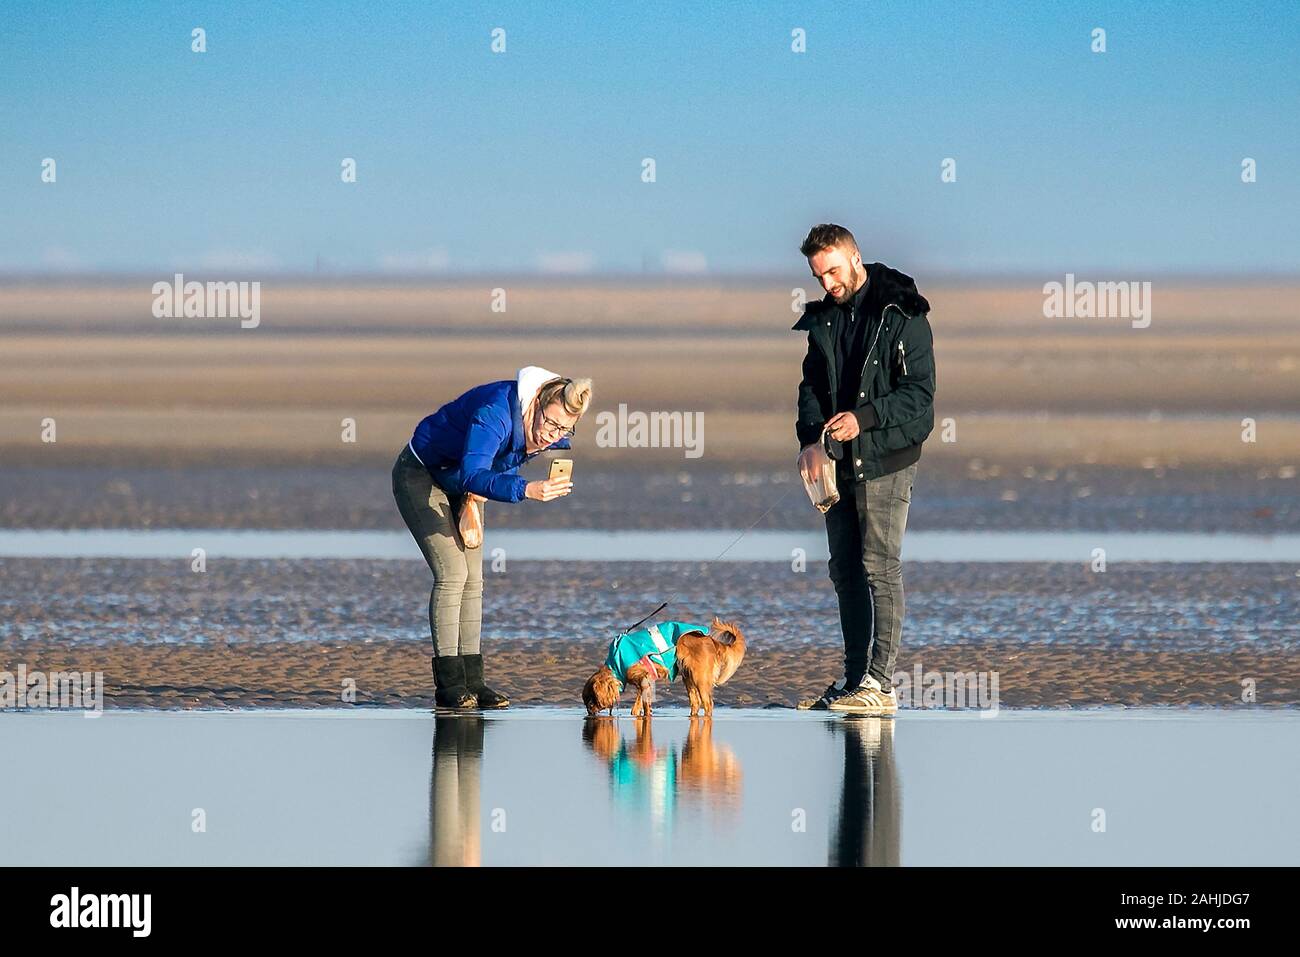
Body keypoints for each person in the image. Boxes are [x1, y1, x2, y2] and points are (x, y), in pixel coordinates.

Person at [794, 224, 936, 714]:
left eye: (833, 270)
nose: (828, 284)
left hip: (887, 458)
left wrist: (865, 419)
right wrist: (811, 442)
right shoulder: (824, 320)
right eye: (819, 276)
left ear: (855, 257)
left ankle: (880, 684)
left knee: (879, 567)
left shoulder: (903, 311)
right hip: (837, 463)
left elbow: (920, 397)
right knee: (845, 572)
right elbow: (811, 387)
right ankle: (855, 679)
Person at [392, 366, 592, 709]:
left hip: (468, 489)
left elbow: (495, 466)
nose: (552, 435)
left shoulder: (545, 429)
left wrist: (477, 498)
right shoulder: (495, 413)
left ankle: (474, 681)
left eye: (564, 429)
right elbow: (473, 472)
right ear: (534, 405)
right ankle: (450, 685)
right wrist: (526, 489)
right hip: (422, 476)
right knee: (453, 574)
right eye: (550, 424)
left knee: (474, 580)